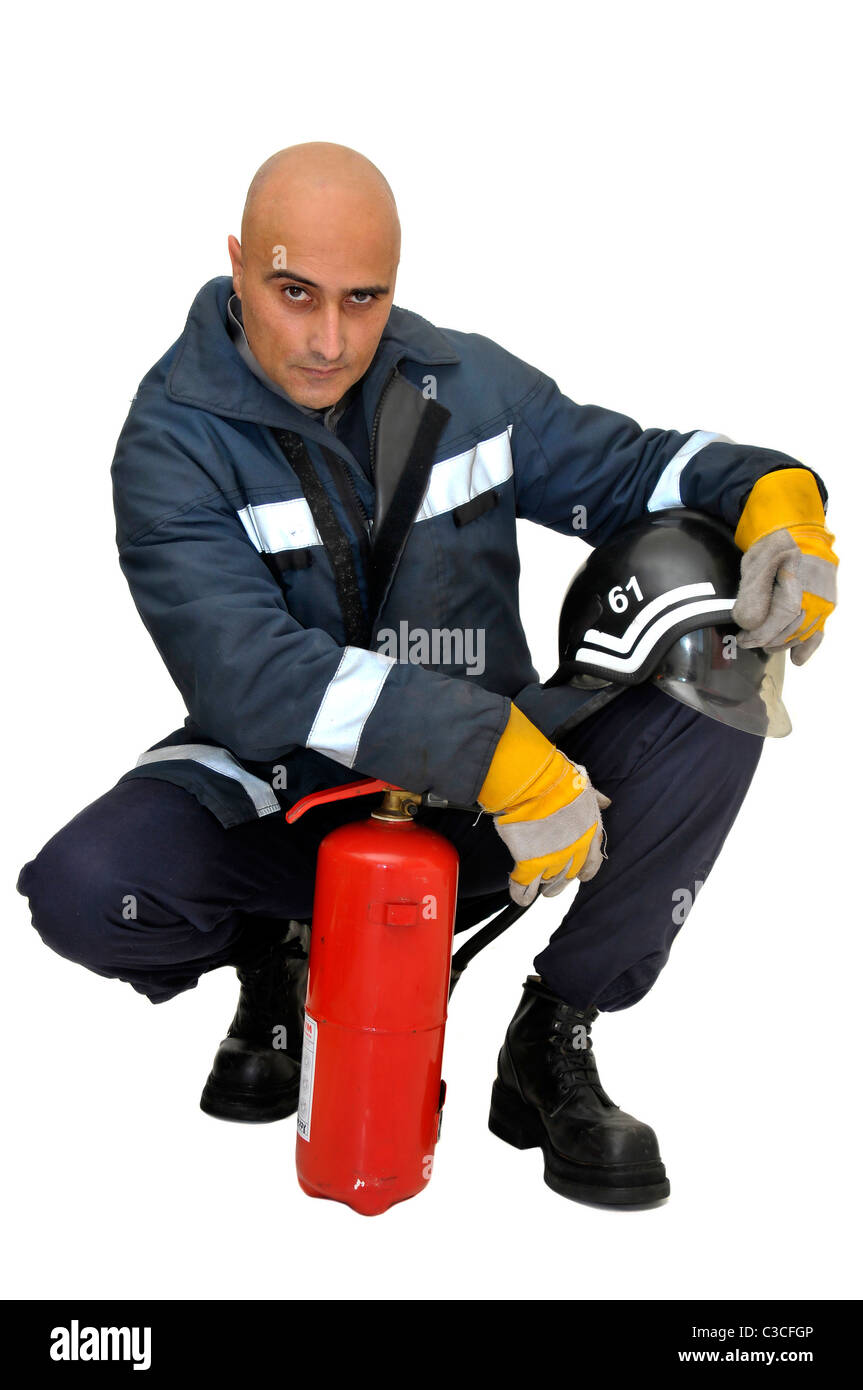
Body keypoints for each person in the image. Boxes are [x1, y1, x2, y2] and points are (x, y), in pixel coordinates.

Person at [16, 143, 838, 1208]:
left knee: (720, 653)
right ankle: (275, 956)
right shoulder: (172, 439)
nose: (328, 338)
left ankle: (554, 1036)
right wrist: (497, 757)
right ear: (234, 265)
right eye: (293, 292)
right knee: (82, 889)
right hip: (291, 792)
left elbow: (645, 470)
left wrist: (776, 496)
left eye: (363, 299)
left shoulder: (461, 383)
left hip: (497, 797)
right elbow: (251, 680)